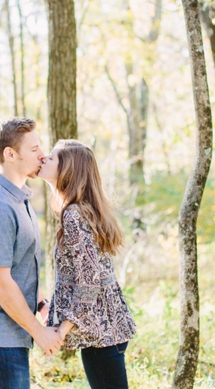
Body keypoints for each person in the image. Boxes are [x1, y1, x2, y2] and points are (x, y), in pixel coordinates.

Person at [0, 117, 63, 389]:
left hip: (12, 331)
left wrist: (42, 306)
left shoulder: (19, 199)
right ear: (10, 154)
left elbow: (19, 267)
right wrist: (39, 332)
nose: (43, 154)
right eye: (34, 149)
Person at [38, 139, 137, 389]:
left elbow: (89, 282)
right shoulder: (78, 212)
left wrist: (61, 330)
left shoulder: (73, 215)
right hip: (103, 331)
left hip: (101, 334)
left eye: (52, 157)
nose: (44, 159)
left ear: (67, 170)